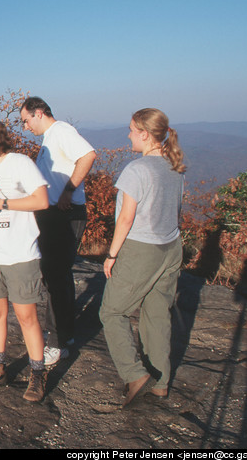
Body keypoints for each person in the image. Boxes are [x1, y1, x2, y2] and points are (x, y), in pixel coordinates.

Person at [98, 108, 186, 407]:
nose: (128, 135)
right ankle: (160, 383)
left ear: (145, 134)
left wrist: (111, 255)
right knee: (157, 314)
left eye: (132, 130)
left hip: (141, 248)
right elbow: (176, 211)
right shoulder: (174, 166)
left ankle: (134, 374)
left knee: (111, 312)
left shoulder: (137, 170)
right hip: (171, 245)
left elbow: (125, 219)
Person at [0, 118, 50, 402]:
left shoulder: (20, 163)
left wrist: (2, 203)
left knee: (27, 318)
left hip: (21, 255)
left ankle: (37, 375)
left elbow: (42, 200)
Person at [19, 97, 96, 365]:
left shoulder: (61, 131)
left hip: (64, 214)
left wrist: (68, 191)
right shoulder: (49, 138)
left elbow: (88, 155)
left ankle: (58, 343)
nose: (25, 126)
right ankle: (65, 335)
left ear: (39, 113)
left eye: (26, 120)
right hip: (53, 214)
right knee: (55, 276)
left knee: (56, 277)